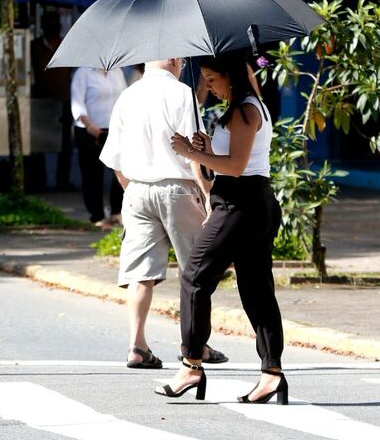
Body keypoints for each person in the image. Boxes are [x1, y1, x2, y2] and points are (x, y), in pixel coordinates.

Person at [156, 52, 286, 405]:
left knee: (195, 275)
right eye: (207, 80)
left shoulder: (246, 110)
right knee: (256, 288)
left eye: (213, 79)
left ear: (231, 76)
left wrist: (192, 153)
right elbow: (230, 164)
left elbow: (238, 166)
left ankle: (191, 363)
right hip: (247, 202)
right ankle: (271, 373)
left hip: (242, 205)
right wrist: (207, 149)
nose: (209, 87)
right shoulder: (242, 109)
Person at [99, 57, 228, 370]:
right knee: (195, 272)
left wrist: (132, 190)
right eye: (182, 61)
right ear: (173, 61)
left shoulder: (127, 95)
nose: (183, 66)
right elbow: (194, 151)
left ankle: (137, 345)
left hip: (137, 190)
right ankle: (196, 345)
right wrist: (208, 194)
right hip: (178, 190)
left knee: (140, 274)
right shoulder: (182, 93)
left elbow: (115, 158)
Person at [71, 66, 127, 229]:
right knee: (92, 174)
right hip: (89, 130)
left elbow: (123, 99)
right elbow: (77, 104)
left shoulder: (117, 71)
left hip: (114, 129)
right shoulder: (83, 73)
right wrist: (90, 127)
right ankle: (97, 215)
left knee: (120, 169)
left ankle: (116, 211)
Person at [31, 12, 74, 190]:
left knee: (65, 145)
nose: (53, 27)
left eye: (55, 24)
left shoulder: (67, 45)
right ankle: (38, 181)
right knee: (38, 143)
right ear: (42, 26)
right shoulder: (34, 47)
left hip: (64, 100)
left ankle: (62, 181)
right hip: (41, 100)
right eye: (49, 24)